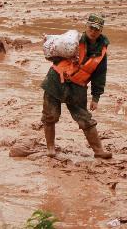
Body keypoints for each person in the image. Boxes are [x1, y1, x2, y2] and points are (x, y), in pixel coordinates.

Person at [41, 14, 111, 159]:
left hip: (78, 87)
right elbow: (54, 56)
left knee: (85, 119)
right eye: (91, 28)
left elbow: (100, 75)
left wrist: (95, 97)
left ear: (101, 31)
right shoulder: (72, 41)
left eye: (97, 29)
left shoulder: (102, 53)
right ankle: (50, 148)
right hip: (56, 81)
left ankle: (99, 150)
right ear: (86, 27)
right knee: (50, 116)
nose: (93, 31)